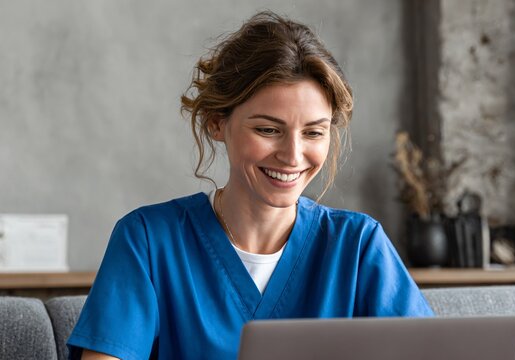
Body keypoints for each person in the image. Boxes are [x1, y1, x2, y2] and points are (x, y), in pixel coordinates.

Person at [67, 10, 433, 360]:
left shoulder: (357, 246)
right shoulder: (148, 240)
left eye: (313, 133)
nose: (292, 156)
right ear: (216, 123)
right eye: (268, 130)